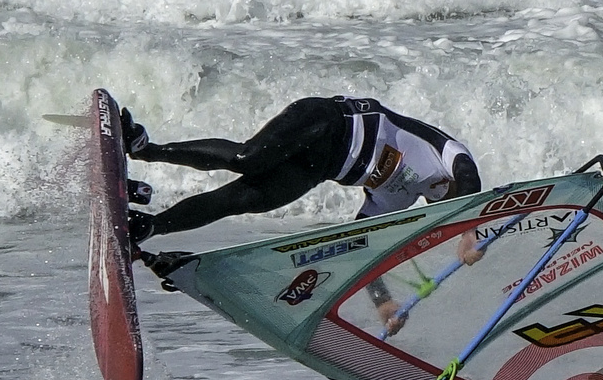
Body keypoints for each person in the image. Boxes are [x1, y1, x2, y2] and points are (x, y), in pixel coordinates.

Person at [124, 96, 483, 331]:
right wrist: (470, 230)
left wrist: (383, 303)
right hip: (330, 120)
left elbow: (366, 244)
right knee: (248, 158)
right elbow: (469, 175)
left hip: (317, 166)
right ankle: (145, 148)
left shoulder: (400, 197)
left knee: (244, 198)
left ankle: (150, 226)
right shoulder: (448, 153)